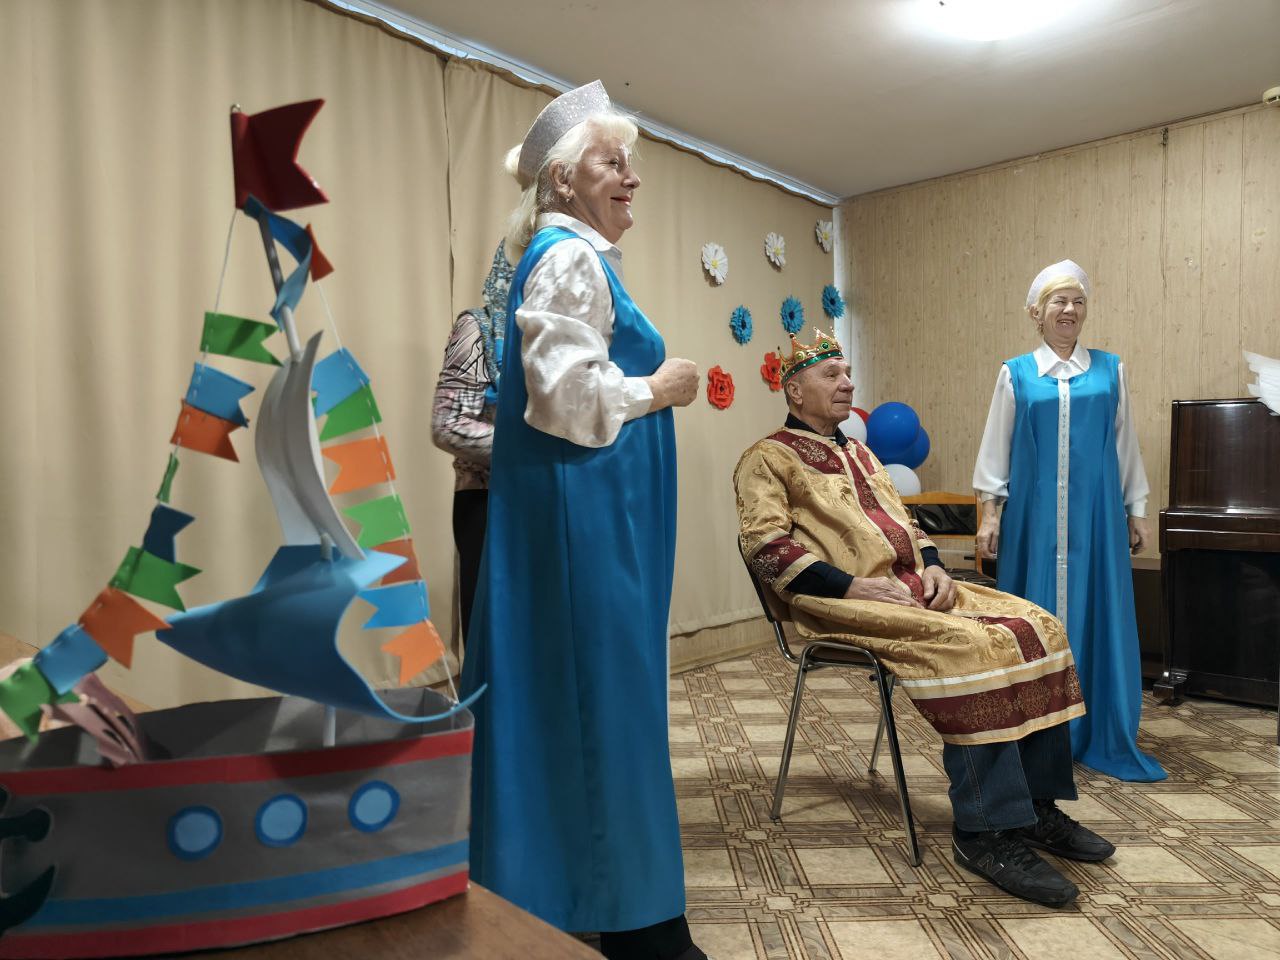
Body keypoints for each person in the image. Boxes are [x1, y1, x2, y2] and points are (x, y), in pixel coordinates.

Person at [734, 329, 1116, 909]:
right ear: (794, 390)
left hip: (914, 588)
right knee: (973, 648)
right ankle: (983, 832)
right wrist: (851, 585)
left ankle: (1037, 809)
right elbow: (765, 547)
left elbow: (909, 527)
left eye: (848, 372)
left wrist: (934, 566)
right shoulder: (766, 458)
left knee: (1040, 627)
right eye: (832, 374)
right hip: (841, 603)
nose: (848, 383)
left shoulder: (860, 453)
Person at [458, 81, 707, 960]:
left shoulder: (573, 256)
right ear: (563, 180)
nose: (632, 178)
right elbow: (565, 399)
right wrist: (660, 388)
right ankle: (643, 929)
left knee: (576, 703)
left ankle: (575, 897)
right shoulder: (569, 257)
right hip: (585, 530)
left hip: (587, 521)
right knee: (607, 705)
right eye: (613, 162)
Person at [973, 260, 1165, 783]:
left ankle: (1096, 730)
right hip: (1033, 522)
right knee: (1032, 617)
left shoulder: (1110, 370)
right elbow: (996, 447)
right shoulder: (1016, 374)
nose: (1069, 310)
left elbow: (1125, 444)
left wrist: (1136, 509)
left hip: (1097, 520)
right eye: (1059, 301)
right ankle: (1037, 733)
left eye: (1078, 301)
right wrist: (990, 514)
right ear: (1036, 313)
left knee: (1098, 611)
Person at [430, 242, 514, 638]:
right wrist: (530, 450)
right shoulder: (478, 327)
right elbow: (448, 423)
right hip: (488, 502)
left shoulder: (562, 337)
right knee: (494, 638)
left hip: (550, 501)